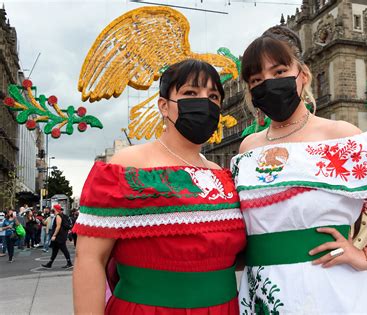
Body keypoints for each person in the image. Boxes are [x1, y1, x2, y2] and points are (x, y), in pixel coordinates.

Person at [231, 26, 367, 314]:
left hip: (329, 288)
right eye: (257, 79)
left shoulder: (339, 135)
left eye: (280, 72)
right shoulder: (248, 148)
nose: (268, 83)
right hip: (261, 290)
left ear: (303, 75)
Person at [72, 59, 246, 314]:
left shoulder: (223, 176)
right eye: (190, 93)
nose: (204, 103)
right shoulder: (127, 166)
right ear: (164, 106)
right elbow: (90, 259)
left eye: (213, 96)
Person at [41, 204, 73, 269]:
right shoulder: (62, 215)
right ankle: (49, 263)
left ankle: (69, 263)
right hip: (61, 235)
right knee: (55, 250)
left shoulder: (58, 216)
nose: (52, 209)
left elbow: (58, 226)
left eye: (53, 208)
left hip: (59, 236)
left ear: (55, 209)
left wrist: (54, 235)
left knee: (64, 249)